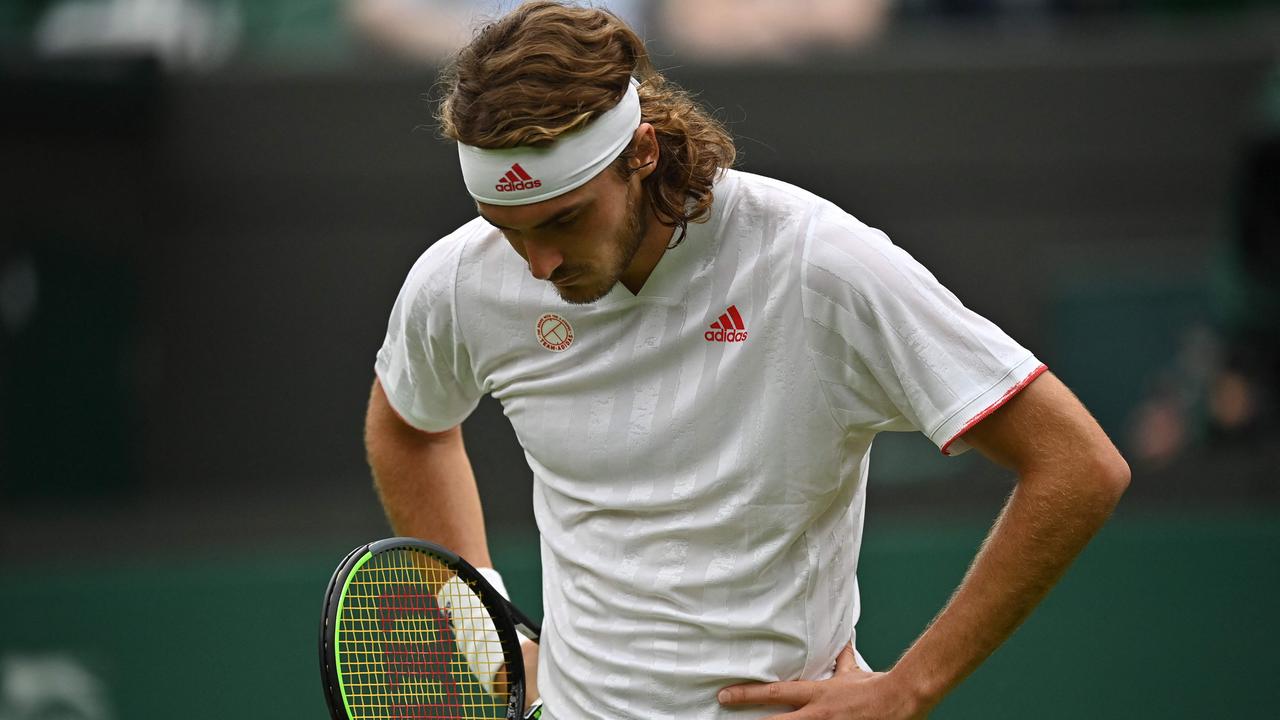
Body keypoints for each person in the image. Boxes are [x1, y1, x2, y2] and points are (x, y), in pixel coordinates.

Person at [365, 2, 1130, 718]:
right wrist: (484, 632)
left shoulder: (815, 263)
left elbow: (1076, 462)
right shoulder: (462, 281)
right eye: (507, 228)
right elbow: (409, 427)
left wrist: (911, 687)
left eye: (564, 219)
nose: (537, 264)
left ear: (642, 151)